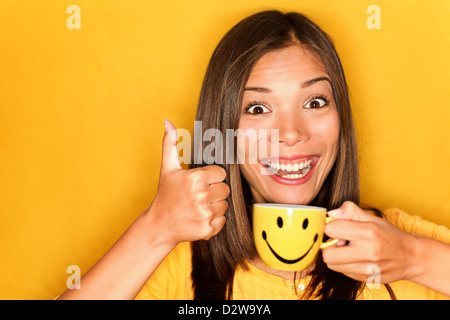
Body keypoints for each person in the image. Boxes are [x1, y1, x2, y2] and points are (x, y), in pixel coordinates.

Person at [57, 10, 450, 300]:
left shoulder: (401, 244)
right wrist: (157, 227)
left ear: (341, 117)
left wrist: (414, 257)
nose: (292, 134)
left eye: (315, 101)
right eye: (258, 109)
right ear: (225, 132)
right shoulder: (183, 263)